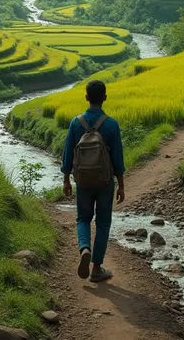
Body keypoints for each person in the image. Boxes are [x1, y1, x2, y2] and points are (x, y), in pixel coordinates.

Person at [61, 79, 125, 282]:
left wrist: (66, 180)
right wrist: (121, 185)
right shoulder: (111, 124)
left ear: (86, 97)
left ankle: (84, 249)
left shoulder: (75, 123)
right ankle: (97, 268)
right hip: (105, 182)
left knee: (82, 218)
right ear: (105, 98)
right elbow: (117, 159)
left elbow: (68, 154)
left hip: (83, 181)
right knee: (103, 223)